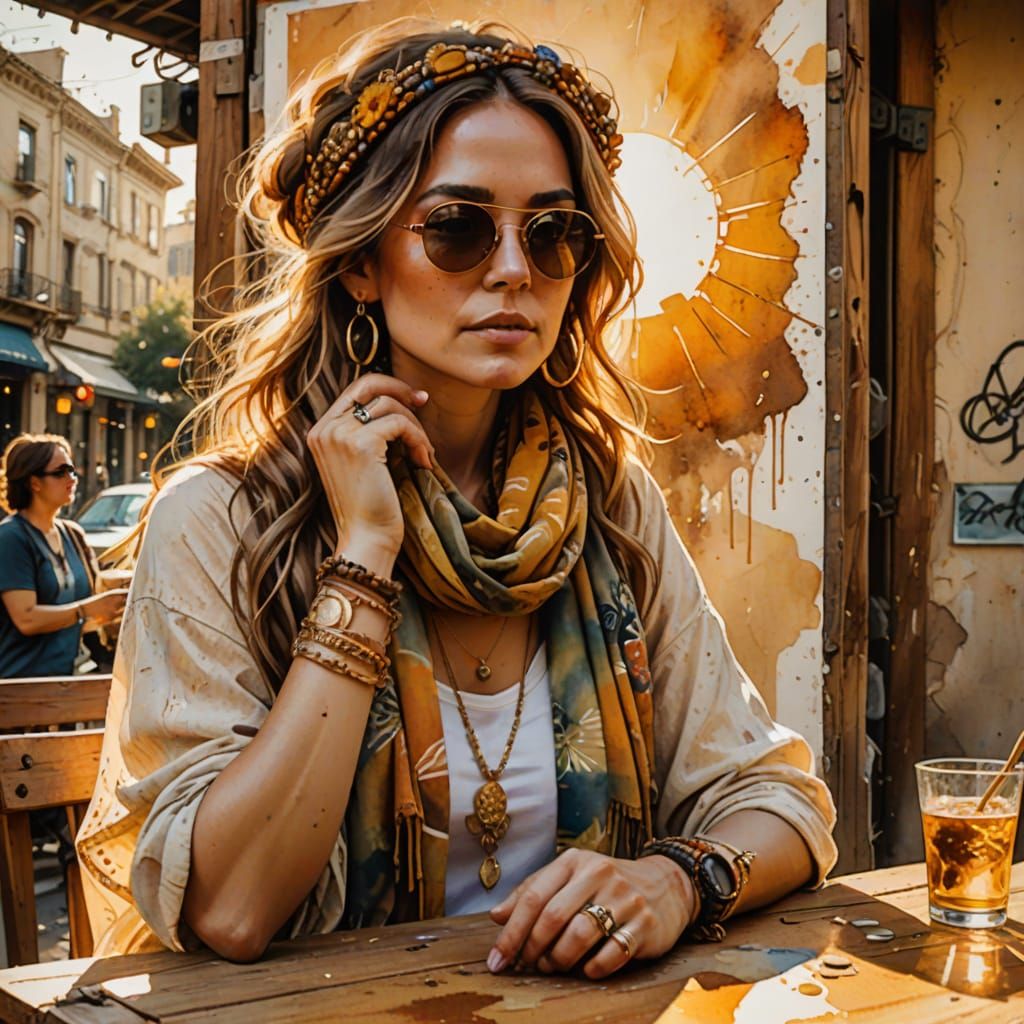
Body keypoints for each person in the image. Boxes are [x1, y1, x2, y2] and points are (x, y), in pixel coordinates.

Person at [77, 19, 837, 972]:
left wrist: (678, 877)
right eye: (457, 227)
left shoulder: (606, 506)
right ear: (359, 260)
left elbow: (781, 802)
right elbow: (231, 906)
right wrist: (362, 561)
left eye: (555, 232)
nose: (514, 268)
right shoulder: (221, 521)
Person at [0, 434, 128, 679]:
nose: (72, 478)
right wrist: (85, 610)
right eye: (60, 472)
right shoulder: (11, 538)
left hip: (72, 681)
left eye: (72, 470)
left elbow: (89, 615)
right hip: (22, 689)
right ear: (33, 482)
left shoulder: (72, 534)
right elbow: (26, 618)